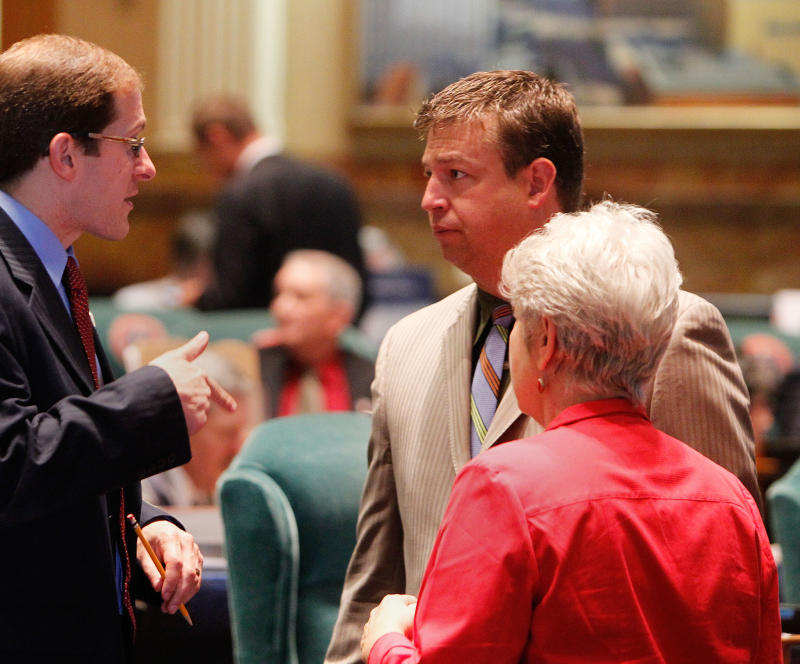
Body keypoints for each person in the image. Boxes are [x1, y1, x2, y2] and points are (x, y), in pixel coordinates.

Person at [325, 70, 759, 664]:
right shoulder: (407, 343)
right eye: (427, 174)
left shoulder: (669, 328)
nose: (429, 197)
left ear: (537, 182)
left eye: (456, 175)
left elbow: (715, 577)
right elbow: (374, 584)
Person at [0, 34, 236, 663]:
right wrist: (152, 394)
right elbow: (0, 472)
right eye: (134, 143)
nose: (148, 167)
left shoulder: (49, 269)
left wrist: (149, 524)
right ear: (66, 155)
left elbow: (66, 466)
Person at [359, 201, 781, 663]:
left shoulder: (503, 486)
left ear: (547, 344)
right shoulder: (731, 501)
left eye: (518, 323)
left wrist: (385, 640)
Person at [180, 95, 368, 315]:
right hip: (339, 333)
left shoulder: (240, 193)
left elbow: (231, 296)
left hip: (265, 336)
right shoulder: (333, 181)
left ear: (217, 137)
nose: (207, 168)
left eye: (202, 156)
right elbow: (357, 280)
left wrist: (197, 298)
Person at [258, 249, 374, 417]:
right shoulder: (252, 367)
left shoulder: (372, 380)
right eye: (278, 294)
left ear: (338, 315)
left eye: (301, 297)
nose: (281, 308)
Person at [142, 349, 255, 506]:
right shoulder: (141, 497)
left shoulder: (212, 491)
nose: (238, 449)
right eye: (227, 434)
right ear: (183, 426)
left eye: (240, 433)